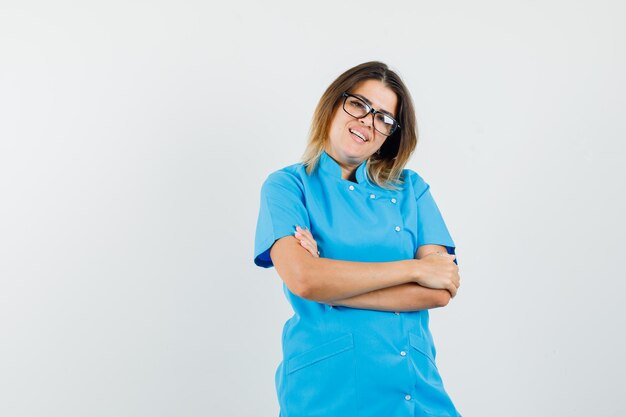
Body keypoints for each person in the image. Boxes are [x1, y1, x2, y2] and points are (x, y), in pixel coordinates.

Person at [253, 61, 462, 417]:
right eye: (360, 105)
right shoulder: (288, 187)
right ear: (334, 103)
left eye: (383, 118)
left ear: (390, 134)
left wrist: (332, 284)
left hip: (415, 388)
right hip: (328, 390)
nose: (368, 121)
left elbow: (438, 290)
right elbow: (304, 279)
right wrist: (413, 268)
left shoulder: (412, 190)